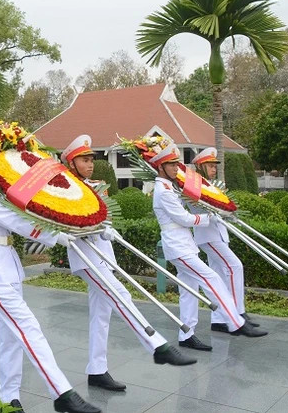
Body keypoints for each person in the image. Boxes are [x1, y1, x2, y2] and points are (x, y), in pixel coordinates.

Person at [0, 126, 100, 413]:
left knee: (11, 335)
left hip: (7, 266)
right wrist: (56, 234)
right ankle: (61, 393)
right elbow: (14, 220)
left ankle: (7, 398)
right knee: (28, 328)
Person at [61, 135, 195, 392]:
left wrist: (106, 229)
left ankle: (97, 370)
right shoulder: (65, 189)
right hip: (85, 256)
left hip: (103, 253)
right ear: (71, 162)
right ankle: (157, 346)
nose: (90, 164)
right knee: (120, 294)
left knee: (102, 315)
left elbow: (101, 217)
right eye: (84, 159)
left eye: (91, 159)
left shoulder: (95, 186)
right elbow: (66, 221)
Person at [151, 143, 267, 351]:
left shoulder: (169, 188)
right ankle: (236, 322)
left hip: (184, 244)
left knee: (189, 290)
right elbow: (184, 218)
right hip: (178, 246)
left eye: (177, 164)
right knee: (211, 278)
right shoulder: (164, 191)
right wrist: (210, 217)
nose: (176, 168)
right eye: (171, 165)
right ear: (161, 167)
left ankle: (186, 335)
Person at [190, 148, 262, 332]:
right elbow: (197, 209)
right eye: (210, 166)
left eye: (215, 166)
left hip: (218, 234)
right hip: (209, 236)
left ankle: (219, 320)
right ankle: (238, 314)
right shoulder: (194, 186)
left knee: (220, 275)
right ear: (200, 166)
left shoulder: (210, 185)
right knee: (234, 266)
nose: (214, 169)